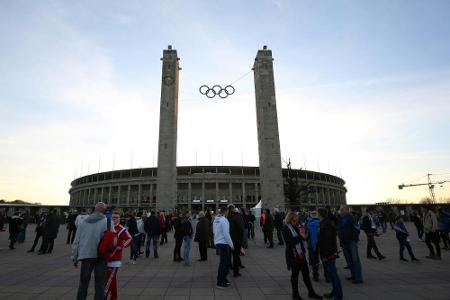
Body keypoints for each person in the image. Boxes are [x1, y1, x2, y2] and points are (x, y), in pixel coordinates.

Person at [282, 212, 322, 300]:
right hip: (293, 255)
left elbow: (303, 237)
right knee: (295, 275)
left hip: (301, 254)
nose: (296, 221)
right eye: (295, 219)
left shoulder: (297, 226)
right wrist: (301, 236)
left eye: (297, 219)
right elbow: (289, 242)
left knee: (306, 274)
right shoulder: (286, 228)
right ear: (290, 219)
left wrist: (307, 235)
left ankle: (311, 292)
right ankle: (295, 294)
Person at [72, 202, 108, 300]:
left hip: (86, 255)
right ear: (104, 210)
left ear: (94, 209)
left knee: (83, 283)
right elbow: (112, 240)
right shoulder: (107, 221)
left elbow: (76, 240)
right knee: (100, 283)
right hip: (101, 256)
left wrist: (74, 257)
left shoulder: (83, 221)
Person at [98, 210, 132, 300]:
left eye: (117, 217)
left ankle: (104, 296)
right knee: (112, 278)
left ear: (120, 219)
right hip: (106, 257)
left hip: (115, 258)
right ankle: (114, 296)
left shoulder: (122, 229)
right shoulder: (107, 227)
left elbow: (129, 238)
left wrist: (122, 246)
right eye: (113, 217)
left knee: (108, 280)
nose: (115, 219)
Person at [317, 208, 343, 300]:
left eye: (317, 213)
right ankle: (334, 292)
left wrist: (324, 256)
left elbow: (327, 241)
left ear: (320, 214)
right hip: (329, 251)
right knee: (332, 274)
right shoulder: (327, 222)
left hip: (329, 253)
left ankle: (338, 296)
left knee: (333, 275)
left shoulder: (326, 224)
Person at [337, 206, 363, 284]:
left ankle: (358, 277)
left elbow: (357, 229)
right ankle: (353, 275)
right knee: (349, 259)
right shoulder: (340, 219)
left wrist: (352, 238)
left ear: (347, 210)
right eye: (340, 210)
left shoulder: (352, 218)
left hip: (351, 241)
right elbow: (339, 230)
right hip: (344, 242)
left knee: (355, 259)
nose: (340, 211)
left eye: (342, 210)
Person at [213, 206, 234, 288]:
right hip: (224, 243)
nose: (228, 213)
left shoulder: (216, 220)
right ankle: (220, 282)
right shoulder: (224, 220)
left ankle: (224, 279)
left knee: (224, 263)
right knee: (224, 264)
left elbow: (214, 231)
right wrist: (231, 245)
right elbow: (226, 234)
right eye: (228, 211)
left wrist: (216, 241)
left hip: (218, 242)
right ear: (225, 211)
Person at [228, 205, 245, 277]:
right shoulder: (238, 217)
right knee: (236, 255)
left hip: (230, 239)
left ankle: (228, 268)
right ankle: (236, 272)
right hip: (237, 239)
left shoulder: (229, 217)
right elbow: (241, 230)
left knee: (229, 255)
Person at [306, 211, 321, 282]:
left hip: (311, 243)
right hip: (319, 244)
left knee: (313, 258)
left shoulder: (309, 223)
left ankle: (315, 274)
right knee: (317, 258)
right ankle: (326, 275)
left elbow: (307, 235)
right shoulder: (320, 222)